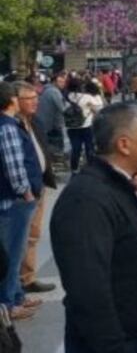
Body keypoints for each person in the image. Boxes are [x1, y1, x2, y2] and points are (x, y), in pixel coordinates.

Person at [51, 102, 137, 352]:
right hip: (121, 340)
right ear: (123, 145)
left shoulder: (123, 183)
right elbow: (88, 288)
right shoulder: (87, 199)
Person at [0, 82, 44, 320]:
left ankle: (15, 296)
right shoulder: (7, 127)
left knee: (14, 252)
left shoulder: (11, 124)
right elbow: (14, 166)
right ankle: (8, 302)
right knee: (12, 253)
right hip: (14, 200)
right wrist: (25, 192)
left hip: (15, 199)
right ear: (12, 101)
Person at [13, 82, 57, 296]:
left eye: (35, 97)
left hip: (39, 184)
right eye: (29, 98)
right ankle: (15, 287)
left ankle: (27, 278)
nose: (35, 102)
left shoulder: (35, 121)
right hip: (23, 190)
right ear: (15, 101)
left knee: (33, 235)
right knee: (18, 238)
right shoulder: (12, 125)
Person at [65, 78, 105, 174]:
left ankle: (74, 169)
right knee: (89, 148)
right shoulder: (86, 97)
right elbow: (99, 107)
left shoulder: (67, 96)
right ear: (80, 86)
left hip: (71, 127)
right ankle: (90, 168)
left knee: (75, 148)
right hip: (86, 126)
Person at [35, 71, 67, 153]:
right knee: (57, 146)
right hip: (53, 123)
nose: (63, 84)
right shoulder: (54, 91)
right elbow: (62, 108)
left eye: (64, 82)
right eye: (60, 82)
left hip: (45, 122)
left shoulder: (46, 89)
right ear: (54, 82)